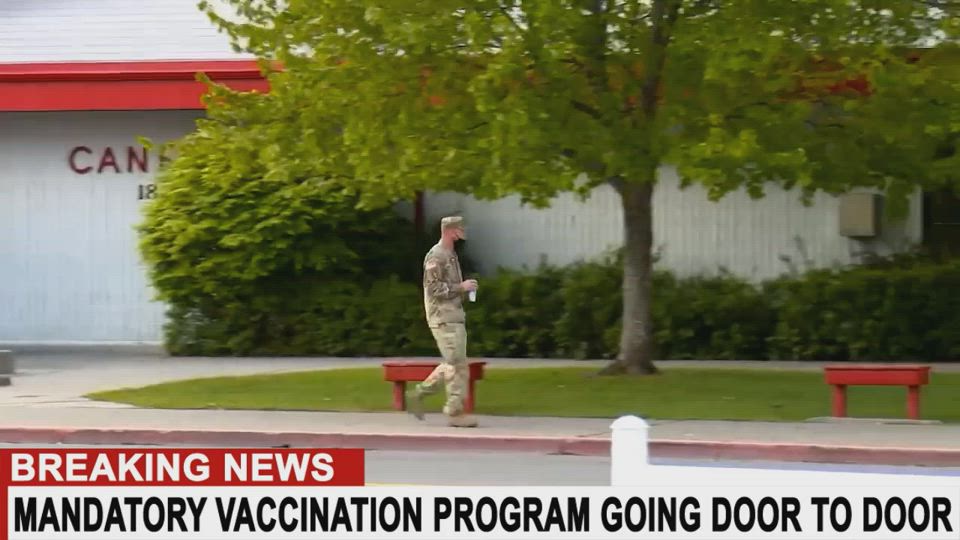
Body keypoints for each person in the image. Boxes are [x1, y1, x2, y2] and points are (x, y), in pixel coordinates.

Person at [408, 216, 479, 428]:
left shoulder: (450, 254)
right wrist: (461, 287)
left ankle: (419, 394)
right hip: (442, 317)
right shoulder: (436, 256)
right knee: (457, 365)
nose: (462, 232)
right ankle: (454, 413)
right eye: (459, 229)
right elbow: (434, 289)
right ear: (450, 230)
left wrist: (465, 289)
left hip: (453, 315)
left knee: (454, 362)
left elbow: (449, 287)